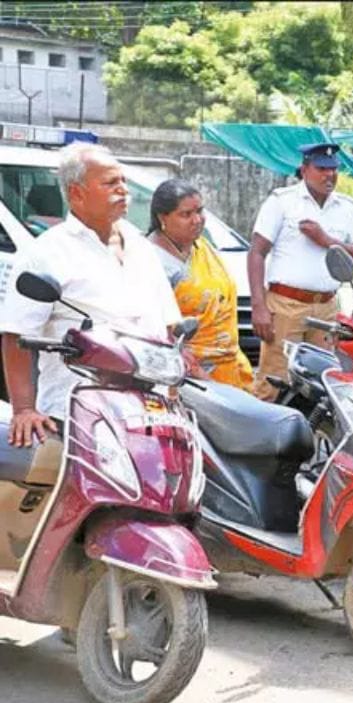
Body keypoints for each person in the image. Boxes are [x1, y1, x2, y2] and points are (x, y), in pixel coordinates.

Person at [0, 142, 182, 570]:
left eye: (124, 181)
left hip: (146, 401)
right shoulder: (46, 253)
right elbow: (15, 335)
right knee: (87, 502)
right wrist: (24, 408)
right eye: (111, 183)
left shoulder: (139, 246)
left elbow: (166, 324)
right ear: (77, 193)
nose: (125, 191)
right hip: (80, 403)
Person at [248, 142, 353, 401]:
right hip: (286, 305)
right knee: (274, 383)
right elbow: (256, 252)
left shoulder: (346, 208)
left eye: (334, 169)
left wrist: (326, 240)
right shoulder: (283, 202)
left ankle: (309, 439)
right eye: (321, 169)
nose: (330, 175)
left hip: (326, 307)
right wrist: (258, 306)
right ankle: (264, 442)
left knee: (320, 385)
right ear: (305, 169)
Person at [148, 178, 253, 391]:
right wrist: (195, 371)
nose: (197, 220)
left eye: (200, 211)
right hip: (185, 374)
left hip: (230, 366)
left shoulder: (201, 247)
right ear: (162, 218)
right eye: (186, 214)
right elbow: (154, 329)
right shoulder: (151, 260)